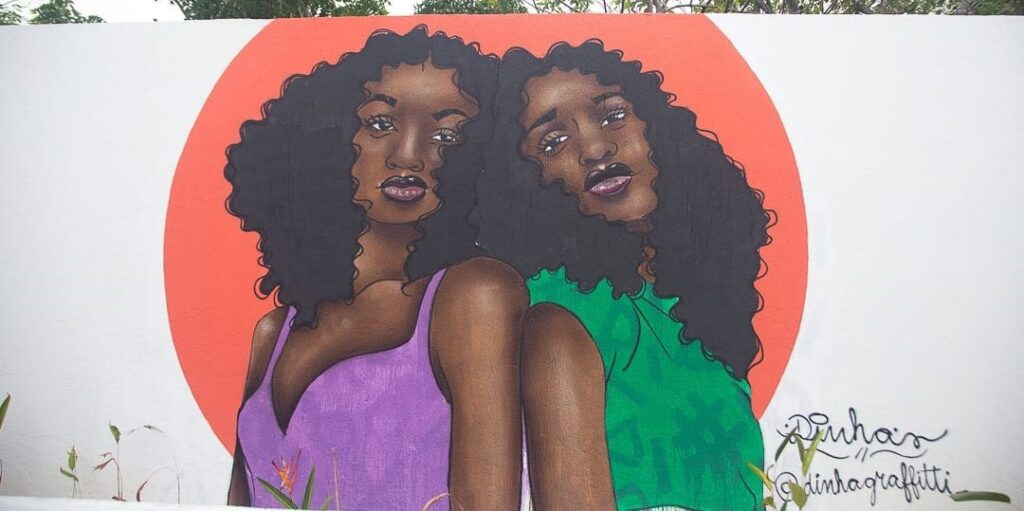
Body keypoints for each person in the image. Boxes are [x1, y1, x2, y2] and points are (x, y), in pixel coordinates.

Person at [225, 26, 525, 510]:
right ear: (329, 136)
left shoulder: (472, 296)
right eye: (381, 123)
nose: (409, 154)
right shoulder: (273, 333)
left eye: (447, 135)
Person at [475, 40, 772, 510]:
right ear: (525, 179)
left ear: (655, 126)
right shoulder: (556, 313)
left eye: (613, 116)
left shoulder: (696, 304)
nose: (595, 149)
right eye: (553, 142)